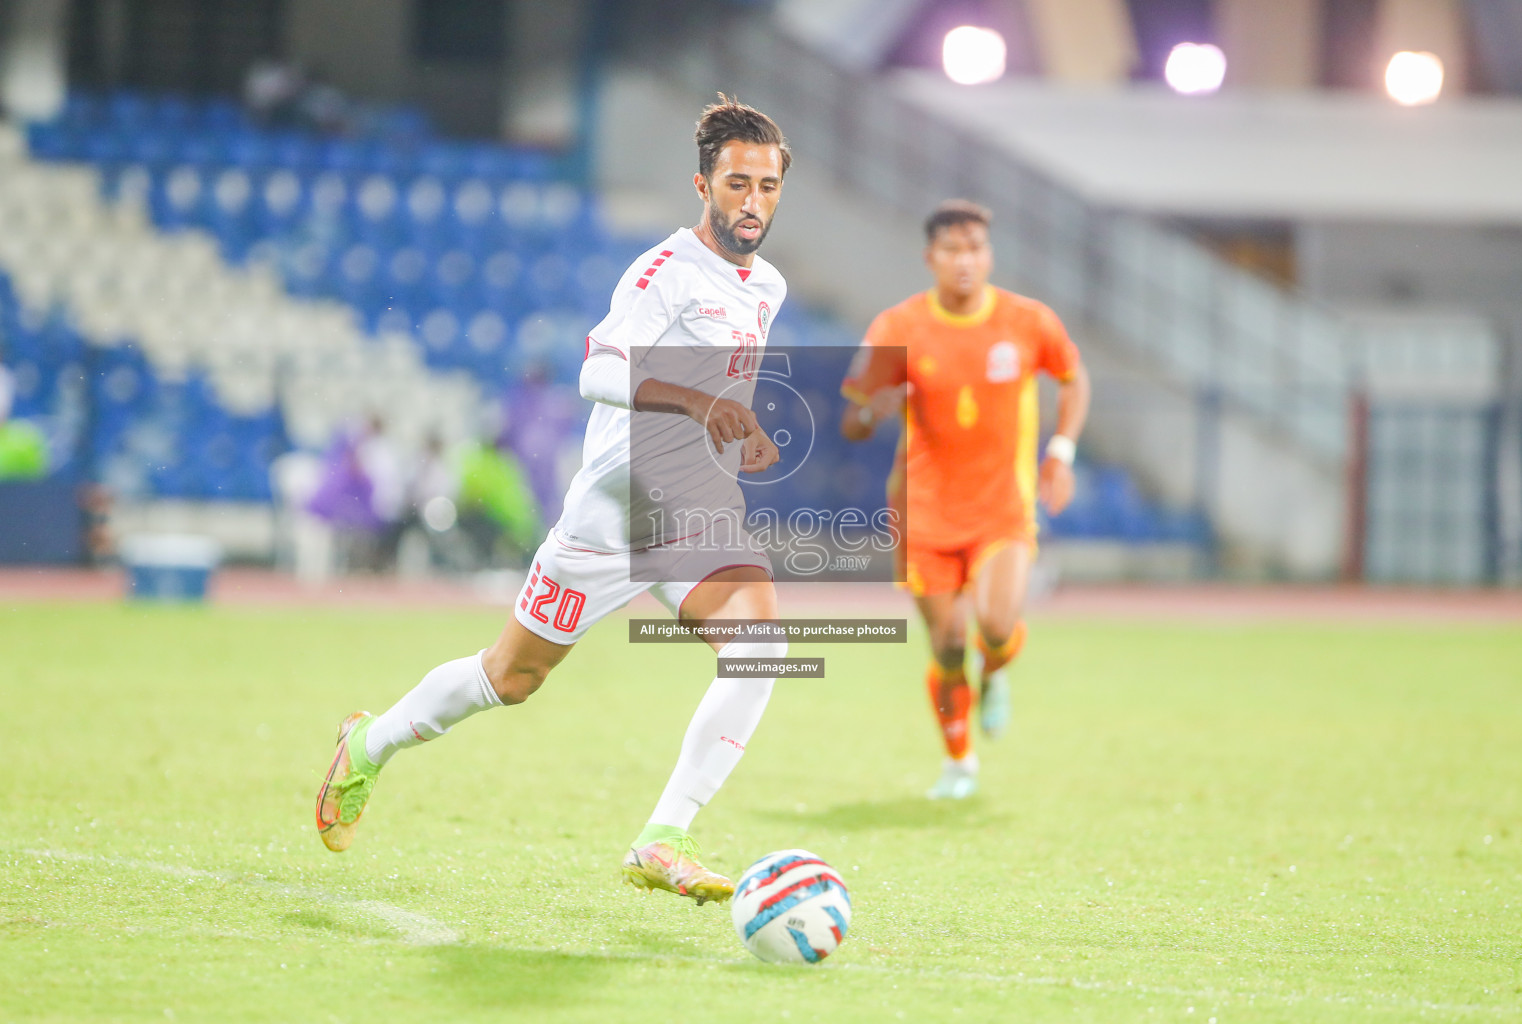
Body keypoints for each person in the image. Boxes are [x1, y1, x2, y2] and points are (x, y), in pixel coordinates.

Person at [315, 95, 793, 905]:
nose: (753, 202)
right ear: (703, 184)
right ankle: (369, 742)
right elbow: (596, 370)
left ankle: (663, 836)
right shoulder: (663, 271)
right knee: (511, 677)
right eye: (737, 183)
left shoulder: (768, 286)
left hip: (694, 515)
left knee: (763, 649)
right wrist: (691, 402)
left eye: (769, 186)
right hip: (610, 515)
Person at [840, 200, 1091, 800]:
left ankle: (996, 672)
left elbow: (1073, 378)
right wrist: (873, 410)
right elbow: (851, 418)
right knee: (949, 645)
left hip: (1001, 509)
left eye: (975, 247)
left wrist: (1061, 451)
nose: (965, 260)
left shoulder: (1027, 321)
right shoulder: (898, 327)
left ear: (989, 255)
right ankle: (959, 763)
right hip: (924, 514)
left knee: (998, 626)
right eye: (952, 249)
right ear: (931, 258)